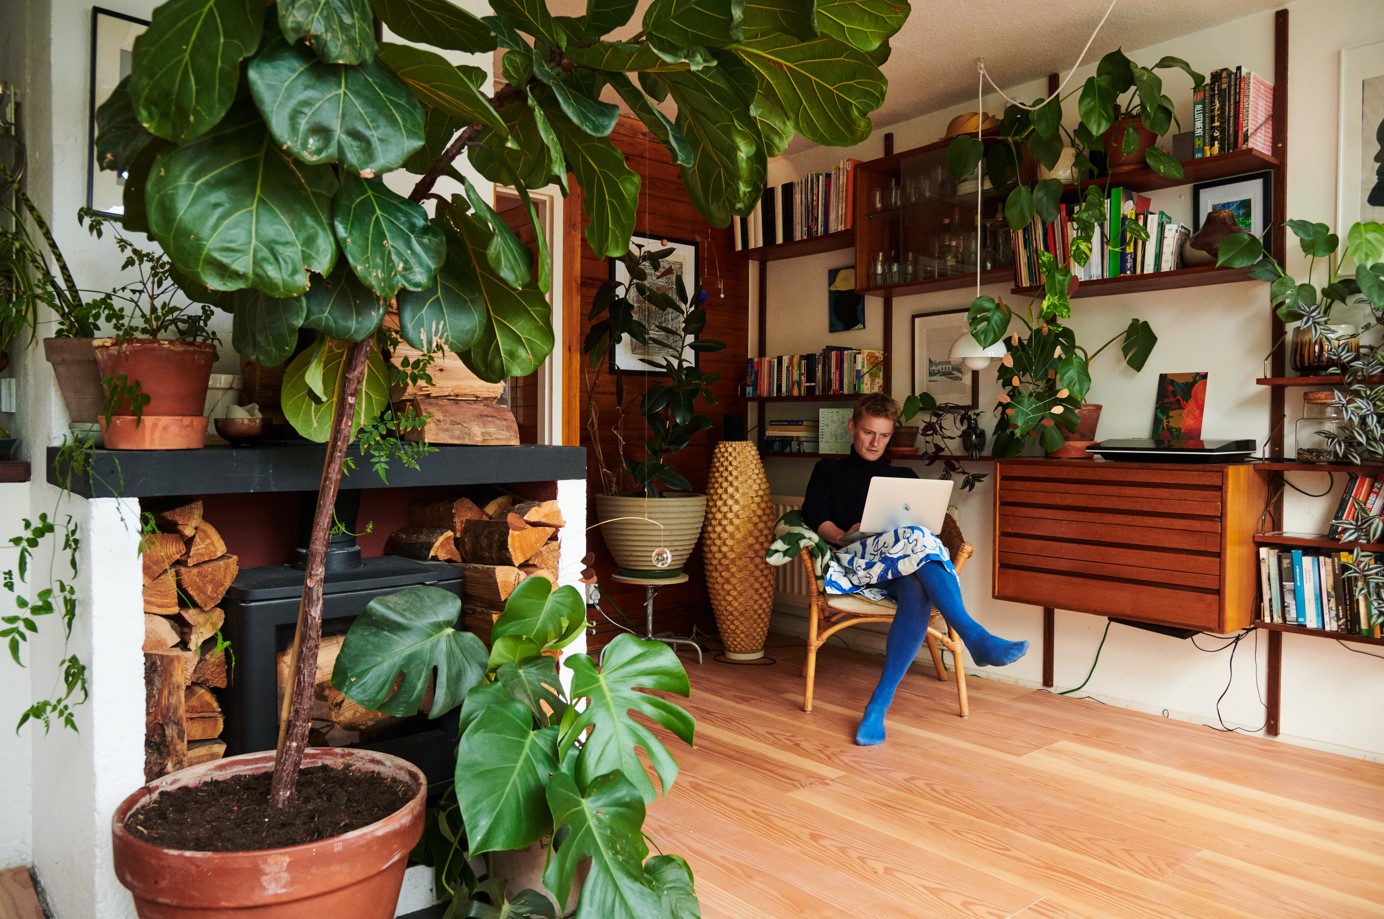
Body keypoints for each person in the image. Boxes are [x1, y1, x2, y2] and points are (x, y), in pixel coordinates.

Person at [801, 393, 1028, 745]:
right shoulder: (829, 470)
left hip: (901, 568)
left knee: (916, 581)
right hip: (855, 561)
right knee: (916, 537)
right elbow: (816, 519)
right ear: (852, 428)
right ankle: (974, 636)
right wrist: (846, 534)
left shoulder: (903, 477)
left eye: (884, 435)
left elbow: (927, 531)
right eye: (868, 432)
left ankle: (878, 706)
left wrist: (910, 535)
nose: (875, 442)